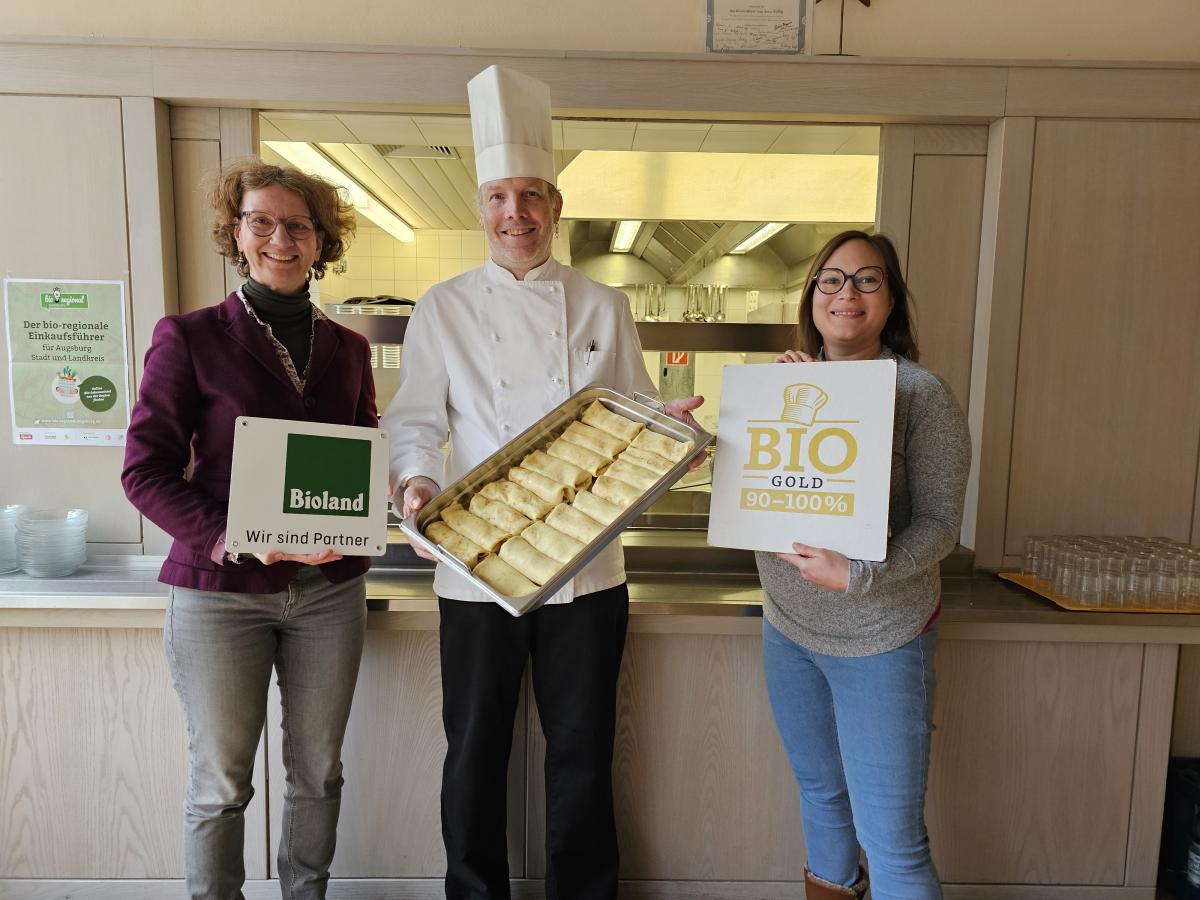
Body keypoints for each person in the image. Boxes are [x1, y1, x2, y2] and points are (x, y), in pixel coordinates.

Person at [383, 65, 702, 900]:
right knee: (475, 748)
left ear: (556, 207)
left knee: (583, 750)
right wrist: (416, 484)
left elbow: (634, 423)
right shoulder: (442, 307)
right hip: (473, 566)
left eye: (530, 195)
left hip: (590, 571)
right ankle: (473, 892)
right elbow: (416, 421)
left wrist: (678, 438)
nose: (513, 213)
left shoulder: (604, 304)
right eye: (497, 196)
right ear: (479, 207)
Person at [121, 159, 377, 900]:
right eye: (261, 221)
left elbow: (359, 454)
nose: (280, 238)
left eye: (299, 225)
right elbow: (145, 471)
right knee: (221, 779)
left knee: (319, 770)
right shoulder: (190, 337)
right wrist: (232, 535)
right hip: (221, 591)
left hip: (329, 589)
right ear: (236, 233)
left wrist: (374, 509)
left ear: (322, 241)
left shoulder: (351, 350)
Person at [758, 230, 970, 900]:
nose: (846, 293)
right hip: (788, 629)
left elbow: (940, 525)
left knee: (892, 841)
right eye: (831, 279)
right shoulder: (784, 384)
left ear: (891, 300)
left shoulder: (921, 394)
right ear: (811, 295)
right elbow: (761, 492)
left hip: (880, 638)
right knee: (821, 799)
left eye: (867, 279)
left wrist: (860, 575)